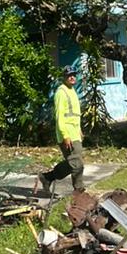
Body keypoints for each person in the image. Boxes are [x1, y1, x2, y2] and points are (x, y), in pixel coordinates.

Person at [34, 65, 84, 197]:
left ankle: (48, 177)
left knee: (76, 163)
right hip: (67, 134)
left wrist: (79, 129)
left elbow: (74, 114)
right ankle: (79, 191)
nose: (72, 77)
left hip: (74, 133)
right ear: (64, 77)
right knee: (76, 163)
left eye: (73, 74)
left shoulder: (72, 91)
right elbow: (60, 116)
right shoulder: (61, 93)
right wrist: (65, 135)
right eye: (69, 75)